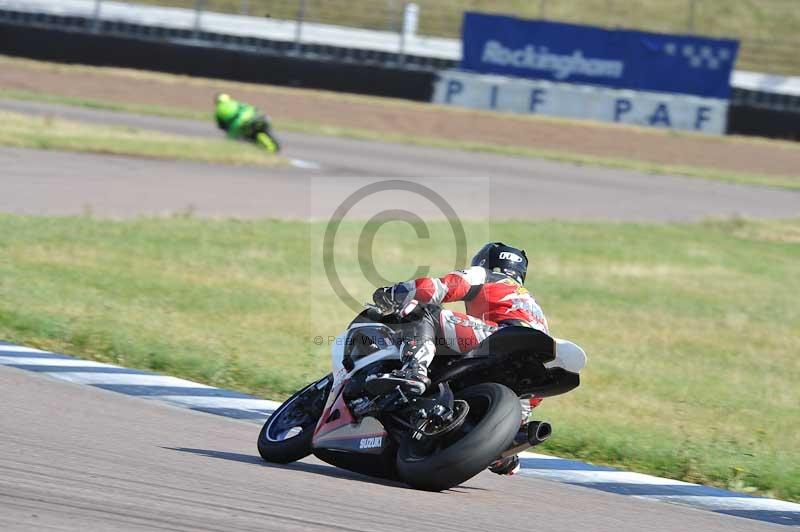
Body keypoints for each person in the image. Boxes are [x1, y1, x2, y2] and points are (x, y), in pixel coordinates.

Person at [368, 242, 548, 475]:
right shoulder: (534, 306)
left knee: (424, 311)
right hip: (533, 363)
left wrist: (394, 292)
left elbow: (438, 288)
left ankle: (415, 371)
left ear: (485, 261)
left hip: (498, 336)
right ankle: (506, 443)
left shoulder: (488, 275)